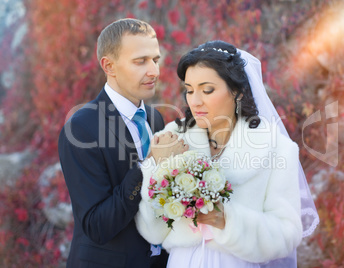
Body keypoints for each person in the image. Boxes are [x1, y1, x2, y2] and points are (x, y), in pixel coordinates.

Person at [135, 40, 319, 267]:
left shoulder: (275, 148)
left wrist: (227, 221)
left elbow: (286, 234)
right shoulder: (173, 139)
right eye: (190, 90)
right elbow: (152, 231)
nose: (195, 101)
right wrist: (155, 165)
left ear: (237, 92)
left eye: (207, 90)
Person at [58, 18, 185, 268]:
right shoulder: (81, 129)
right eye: (140, 61)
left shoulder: (155, 117)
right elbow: (97, 225)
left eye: (155, 60)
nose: (154, 71)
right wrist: (147, 166)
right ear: (109, 66)